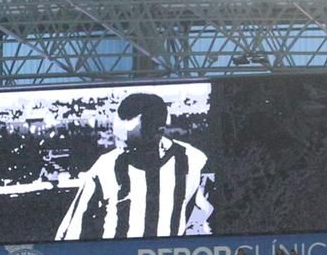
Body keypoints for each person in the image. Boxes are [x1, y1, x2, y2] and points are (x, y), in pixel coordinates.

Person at [54, 91, 211, 241]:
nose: (122, 151)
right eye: (118, 140)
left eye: (130, 144)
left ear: (159, 132)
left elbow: (204, 220)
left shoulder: (193, 161)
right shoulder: (106, 165)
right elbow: (72, 231)